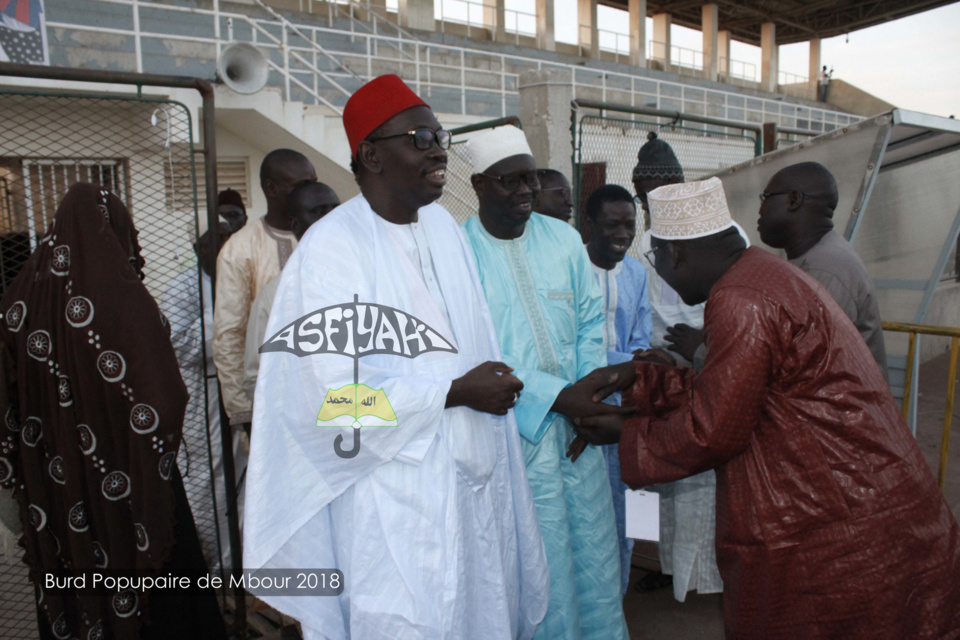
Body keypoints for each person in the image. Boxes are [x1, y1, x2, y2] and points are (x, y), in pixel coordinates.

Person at [575, 177, 960, 638]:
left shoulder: (740, 301)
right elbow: (738, 387)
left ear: (677, 254)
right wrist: (639, 378)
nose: (661, 273)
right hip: (859, 494)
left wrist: (623, 431)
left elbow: (715, 429)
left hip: (838, 512)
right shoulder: (761, 273)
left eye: (657, 258)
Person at [243, 75, 549, 640]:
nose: (437, 149)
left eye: (439, 135)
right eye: (419, 137)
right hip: (395, 500)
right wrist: (453, 393)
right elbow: (331, 403)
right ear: (371, 156)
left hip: (473, 481)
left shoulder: (442, 228)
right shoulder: (329, 254)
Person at [0, 183, 227, 640]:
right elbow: (164, 400)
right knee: (162, 599)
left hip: (58, 487)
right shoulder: (124, 302)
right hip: (135, 483)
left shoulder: (18, 305)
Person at [462, 125, 629, 640]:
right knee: (536, 558)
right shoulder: (459, 251)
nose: (526, 192)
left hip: (578, 429)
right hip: (513, 433)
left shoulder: (562, 239)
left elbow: (586, 321)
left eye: (531, 179)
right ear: (479, 185)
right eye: (509, 181)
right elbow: (474, 343)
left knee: (594, 556)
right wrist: (556, 397)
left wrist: (586, 400)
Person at [632, 132, 724, 601]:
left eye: (669, 183)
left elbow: (724, 306)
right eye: (650, 188)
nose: (659, 194)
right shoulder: (640, 241)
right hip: (660, 374)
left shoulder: (713, 231)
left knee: (700, 481)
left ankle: (703, 578)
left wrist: (699, 347)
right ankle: (666, 567)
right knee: (659, 477)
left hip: (706, 370)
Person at [162, 221, 246, 576]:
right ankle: (212, 568)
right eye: (216, 238)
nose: (226, 244)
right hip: (204, 393)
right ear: (199, 247)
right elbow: (180, 341)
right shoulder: (183, 288)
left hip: (241, 389)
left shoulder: (240, 274)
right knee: (208, 474)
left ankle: (239, 565)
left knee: (243, 473)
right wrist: (229, 331)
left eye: (230, 236)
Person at [213, 149, 317, 431]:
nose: (310, 192)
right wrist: (244, 413)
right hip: (272, 402)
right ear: (271, 189)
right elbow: (229, 337)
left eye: (313, 182)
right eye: (300, 185)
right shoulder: (239, 249)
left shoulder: (326, 239)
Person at [581, 184, 651, 596]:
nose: (622, 234)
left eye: (629, 224)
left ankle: (622, 594)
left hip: (629, 403)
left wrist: (641, 361)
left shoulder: (637, 272)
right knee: (593, 512)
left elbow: (641, 333)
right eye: (612, 225)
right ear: (589, 224)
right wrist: (623, 364)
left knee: (635, 504)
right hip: (584, 403)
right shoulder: (571, 270)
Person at [758, 161, 888, 378]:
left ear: (793, 200)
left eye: (766, 197)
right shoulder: (815, 257)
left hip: (841, 409)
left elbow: (803, 365)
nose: (761, 210)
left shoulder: (826, 268)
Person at [242, 181, 340, 400]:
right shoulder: (275, 297)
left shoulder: (369, 276)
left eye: (336, 209)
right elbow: (255, 380)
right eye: (320, 211)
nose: (333, 217)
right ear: (295, 225)